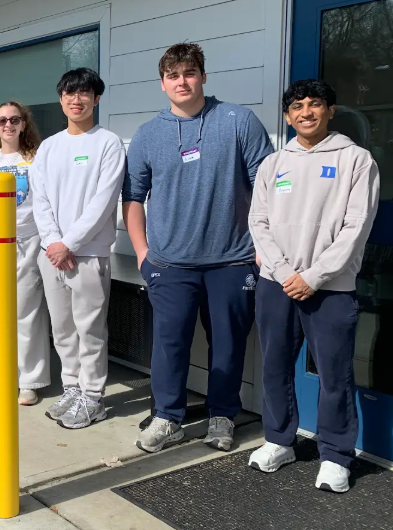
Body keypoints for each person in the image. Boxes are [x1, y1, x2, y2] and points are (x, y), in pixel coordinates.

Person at [122, 43, 274, 453]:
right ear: (162, 83)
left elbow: (267, 187)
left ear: (203, 77)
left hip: (233, 260)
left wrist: (263, 246)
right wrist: (142, 253)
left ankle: (222, 416)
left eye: (189, 73)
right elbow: (132, 198)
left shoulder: (238, 121)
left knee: (228, 344)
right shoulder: (148, 134)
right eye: (172, 75)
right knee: (169, 344)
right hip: (169, 263)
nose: (182, 81)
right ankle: (167, 418)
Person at [248, 79, 379, 493]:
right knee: (274, 366)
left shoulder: (356, 160)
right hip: (277, 284)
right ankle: (279, 441)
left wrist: (314, 276)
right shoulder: (273, 164)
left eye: (315, 104)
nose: (306, 112)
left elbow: (356, 227)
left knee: (334, 374)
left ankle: (336, 456)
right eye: (297, 106)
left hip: (331, 287)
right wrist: (285, 271)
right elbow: (258, 222)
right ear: (288, 117)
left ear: (330, 110)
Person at [32, 69, 126, 429]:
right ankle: (71, 387)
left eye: (85, 93)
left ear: (96, 99)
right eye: (70, 93)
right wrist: (53, 242)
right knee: (62, 329)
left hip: (88, 254)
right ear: (61, 100)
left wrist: (68, 243)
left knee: (90, 330)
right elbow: (40, 200)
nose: (77, 100)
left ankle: (92, 397)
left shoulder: (108, 143)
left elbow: (103, 202)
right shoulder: (49, 146)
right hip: (52, 254)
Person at [0, 101, 50, 406]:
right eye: (2, 120)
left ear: (23, 123)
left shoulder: (36, 158)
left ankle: (29, 380)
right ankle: (1, 373)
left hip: (26, 240)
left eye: (14, 120)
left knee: (26, 311)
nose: (8, 125)